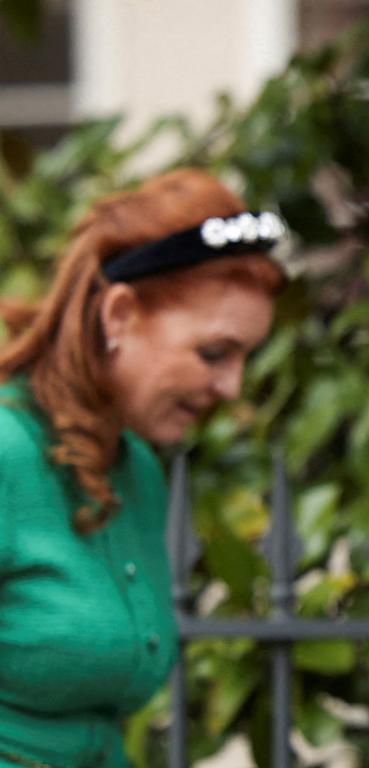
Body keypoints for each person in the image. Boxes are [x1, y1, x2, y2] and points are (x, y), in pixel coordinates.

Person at [0, 169, 286, 768]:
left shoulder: (137, 470)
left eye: (243, 359)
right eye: (213, 353)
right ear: (120, 314)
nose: (231, 387)